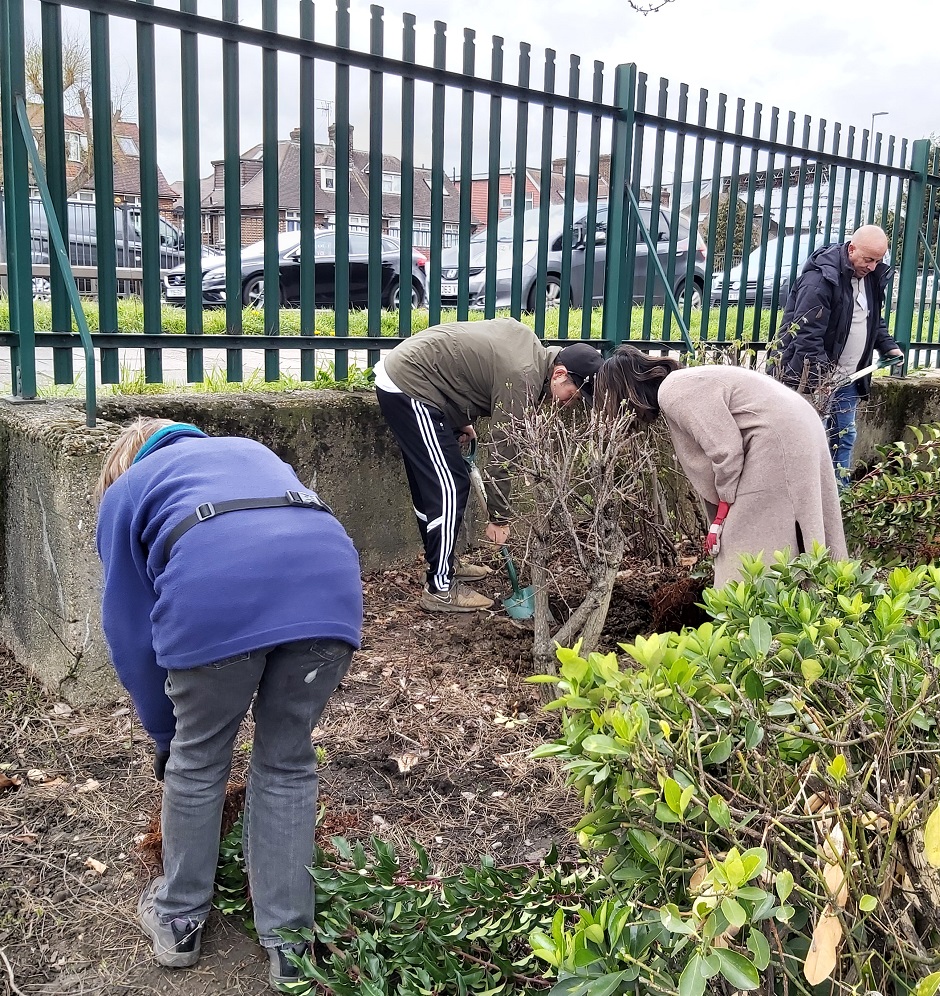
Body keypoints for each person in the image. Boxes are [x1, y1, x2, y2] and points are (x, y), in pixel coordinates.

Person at [95, 418, 363, 992]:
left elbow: (130, 632)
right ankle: (291, 946)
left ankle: (178, 918)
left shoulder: (128, 488)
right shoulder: (247, 449)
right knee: (288, 760)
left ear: (126, 461)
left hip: (215, 590)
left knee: (199, 758)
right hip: (328, 588)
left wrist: (167, 736)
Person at [374, 316, 603, 613]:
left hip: (419, 381)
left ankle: (443, 564)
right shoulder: (523, 377)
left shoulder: (528, 350)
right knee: (450, 487)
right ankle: (439, 588)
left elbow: (464, 370)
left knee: (433, 485)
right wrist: (499, 518)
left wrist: (459, 422)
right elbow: (502, 452)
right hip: (410, 385)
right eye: (575, 395)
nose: (571, 403)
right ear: (559, 374)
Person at [595, 346, 848, 589]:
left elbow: (725, 451)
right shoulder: (684, 383)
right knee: (784, 538)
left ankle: (747, 625)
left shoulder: (673, 390)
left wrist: (724, 506)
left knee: (747, 547)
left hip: (777, 439)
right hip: (797, 427)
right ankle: (808, 610)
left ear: (625, 391)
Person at [776, 224, 904, 484]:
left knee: (844, 436)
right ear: (852, 248)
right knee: (815, 441)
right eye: (868, 259)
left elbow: (870, 320)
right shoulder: (821, 280)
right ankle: (812, 501)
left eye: (878, 260)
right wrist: (821, 378)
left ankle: (840, 499)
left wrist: (887, 345)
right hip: (811, 379)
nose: (872, 266)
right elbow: (806, 335)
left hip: (849, 378)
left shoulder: (870, 277)